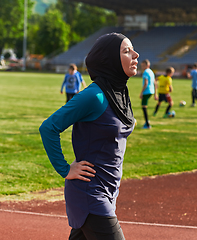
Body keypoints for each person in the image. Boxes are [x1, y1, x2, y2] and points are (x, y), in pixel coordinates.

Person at [39, 32, 139, 240]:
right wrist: (64, 169)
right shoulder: (94, 96)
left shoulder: (119, 93)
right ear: (109, 59)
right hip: (90, 193)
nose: (135, 55)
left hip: (109, 189)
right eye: (127, 51)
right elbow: (49, 128)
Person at [139, 59, 156, 129]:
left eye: (143, 65)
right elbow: (155, 82)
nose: (142, 67)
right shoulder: (151, 72)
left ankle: (147, 124)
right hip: (152, 91)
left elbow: (146, 83)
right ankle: (147, 122)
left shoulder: (145, 72)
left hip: (147, 91)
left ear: (147, 65)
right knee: (144, 106)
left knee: (144, 106)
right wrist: (155, 93)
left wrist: (141, 92)